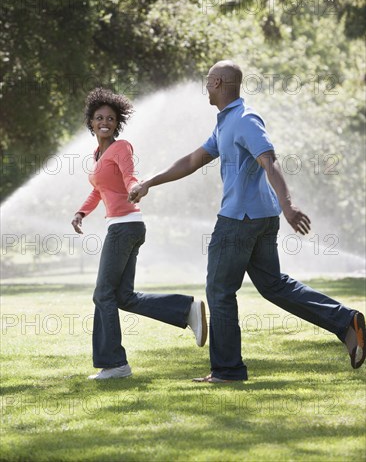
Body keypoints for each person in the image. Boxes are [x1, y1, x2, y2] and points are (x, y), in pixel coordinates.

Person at [128, 60, 365, 383]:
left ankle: (228, 370)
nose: (205, 85)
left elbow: (269, 162)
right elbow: (193, 160)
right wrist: (149, 183)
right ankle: (346, 322)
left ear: (221, 82)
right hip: (258, 219)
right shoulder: (226, 122)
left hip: (240, 220)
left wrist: (289, 205)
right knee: (273, 285)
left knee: (220, 290)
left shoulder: (245, 119)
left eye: (209, 80)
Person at [71, 87, 207, 380]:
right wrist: (81, 212)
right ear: (91, 122)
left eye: (110, 118)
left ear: (116, 123)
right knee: (124, 296)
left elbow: (129, 174)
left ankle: (115, 364)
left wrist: (135, 186)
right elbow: (98, 191)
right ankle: (186, 309)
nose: (104, 121)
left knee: (103, 294)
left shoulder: (121, 148)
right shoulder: (98, 154)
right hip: (123, 227)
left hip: (124, 227)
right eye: (99, 117)